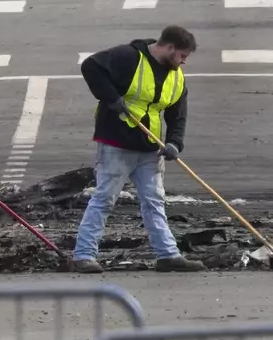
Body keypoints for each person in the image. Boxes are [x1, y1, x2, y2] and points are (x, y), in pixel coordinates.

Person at [72, 25, 207, 273]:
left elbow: (178, 115)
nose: (183, 62)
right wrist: (112, 98)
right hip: (116, 143)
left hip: (150, 149)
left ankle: (167, 255)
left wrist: (175, 144)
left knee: (154, 201)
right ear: (168, 47)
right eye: (182, 56)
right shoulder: (128, 57)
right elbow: (90, 66)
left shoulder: (175, 77)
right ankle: (83, 255)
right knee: (104, 199)